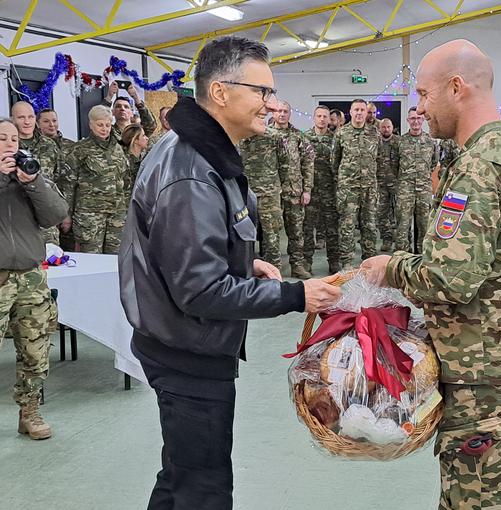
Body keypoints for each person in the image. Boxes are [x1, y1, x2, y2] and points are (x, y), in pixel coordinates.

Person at [118, 37, 340, 510]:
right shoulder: (192, 169)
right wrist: (296, 296)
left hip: (186, 344)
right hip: (186, 352)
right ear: (220, 92)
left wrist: (243, 261)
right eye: (261, 92)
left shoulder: (204, 153)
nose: (271, 103)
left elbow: (192, 252)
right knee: (204, 489)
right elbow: (199, 290)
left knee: (182, 473)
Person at [361, 39, 501, 510]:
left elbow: (451, 278)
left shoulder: (478, 168)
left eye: (424, 95)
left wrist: (392, 267)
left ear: (456, 87)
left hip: (485, 376)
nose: (420, 108)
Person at [0, 117, 68, 440]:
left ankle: (30, 413)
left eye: (13, 138)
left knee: (35, 349)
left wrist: (32, 182)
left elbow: (56, 213)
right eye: (2, 138)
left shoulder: (29, 175)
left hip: (30, 277)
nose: (9, 144)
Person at [62, 105, 129, 254]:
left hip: (116, 214)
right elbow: (68, 185)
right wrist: (66, 215)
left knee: (116, 259)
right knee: (92, 259)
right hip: (90, 216)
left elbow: (125, 180)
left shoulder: (118, 148)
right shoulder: (79, 149)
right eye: (100, 124)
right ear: (91, 125)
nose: (104, 129)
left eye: (107, 125)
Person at [332, 98, 379, 269]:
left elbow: (378, 160)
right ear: (350, 112)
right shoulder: (341, 133)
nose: (359, 113)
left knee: (370, 225)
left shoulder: (375, 133)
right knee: (347, 226)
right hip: (348, 189)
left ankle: (370, 261)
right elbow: (334, 161)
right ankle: (347, 263)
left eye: (362, 110)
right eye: (356, 110)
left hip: (369, 189)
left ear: (367, 113)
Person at [11, 101, 65, 245]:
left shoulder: (49, 145)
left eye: (30, 117)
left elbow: (58, 179)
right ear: (12, 119)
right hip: (18, 218)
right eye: (21, 117)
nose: (27, 122)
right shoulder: (8, 145)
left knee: (52, 263)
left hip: (46, 217)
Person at [272, 100, 315, 279]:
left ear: (290, 114)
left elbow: (308, 163)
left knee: (296, 231)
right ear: (273, 113)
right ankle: (272, 268)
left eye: (285, 111)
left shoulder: (298, 136)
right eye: (279, 111)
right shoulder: (264, 135)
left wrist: (307, 189)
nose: (282, 114)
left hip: (294, 191)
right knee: (271, 233)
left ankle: (297, 265)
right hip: (271, 192)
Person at [239, 126, 286, 269]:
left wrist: (280, 185)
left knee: (271, 232)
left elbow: (284, 162)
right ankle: (247, 267)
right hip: (244, 192)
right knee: (244, 232)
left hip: (269, 192)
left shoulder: (274, 136)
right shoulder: (239, 135)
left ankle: (273, 268)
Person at [394, 106, 438, 253]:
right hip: (405, 189)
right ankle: (403, 258)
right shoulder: (400, 142)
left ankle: (422, 259)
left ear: (423, 119)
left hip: (424, 189)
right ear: (408, 120)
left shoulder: (430, 141)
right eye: (412, 118)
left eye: (418, 118)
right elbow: (394, 165)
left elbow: (433, 163)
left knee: (425, 226)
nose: (416, 121)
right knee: (402, 226)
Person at [303, 105, 340, 274]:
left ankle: (333, 262)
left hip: (330, 191)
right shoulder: (305, 138)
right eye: (319, 116)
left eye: (325, 116)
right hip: (310, 191)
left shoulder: (336, 138)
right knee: (308, 228)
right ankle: (306, 262)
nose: (322, 119)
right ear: (314, 118)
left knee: (332, 229)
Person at [37, 108, 76, 249]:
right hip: (47, 209)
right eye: (46, 121)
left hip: (69, 208)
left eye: (54, 121)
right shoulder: (36, 147)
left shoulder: (71, 146)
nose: (51, 125)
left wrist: (68, 213)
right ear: (38, 124)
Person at [376, 118, 400, 252]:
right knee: (381, 213)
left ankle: (400, 240)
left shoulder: (399, 142)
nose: (386, 129)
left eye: (388, 127)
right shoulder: (375, 142)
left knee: (400, 213)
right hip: (380, 184)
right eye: (383, 127)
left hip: (397, 183)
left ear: (392, 127)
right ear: (380, 128)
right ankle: (386, 239)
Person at [119, 123, 149, 206]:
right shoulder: (124, 161)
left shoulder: (144, 158)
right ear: (135, 140)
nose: (147, 138)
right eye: (143, 136)